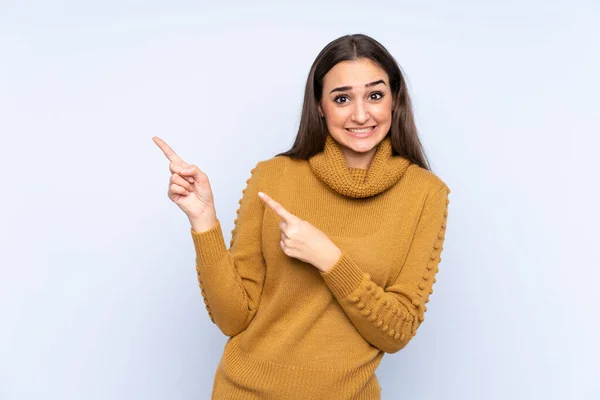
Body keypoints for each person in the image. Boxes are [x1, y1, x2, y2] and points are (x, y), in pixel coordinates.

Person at [153, 33, 450, 400]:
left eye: (375, 95)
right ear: (320, 106)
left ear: (395, 99)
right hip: (244, 392)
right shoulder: (273, 176)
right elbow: (233, 318)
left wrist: (329, 258)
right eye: (342, 98)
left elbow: (397, 332)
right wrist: (204, 222)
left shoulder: (425, 194)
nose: (361, 114)